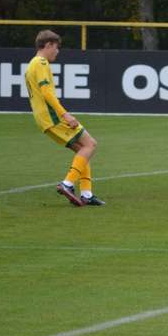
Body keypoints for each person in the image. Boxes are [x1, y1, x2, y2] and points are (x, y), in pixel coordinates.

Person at [24, 29, 104, 207]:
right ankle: (67, 184)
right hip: (52, 117)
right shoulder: (41, 62)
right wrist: (65, 114)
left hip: (43, 120)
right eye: (56, 47)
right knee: (91, 144)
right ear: (48, 45)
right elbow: (46, 92)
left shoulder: (31, 64)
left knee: (82, 150)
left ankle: (86, 194)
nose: (57, 51)